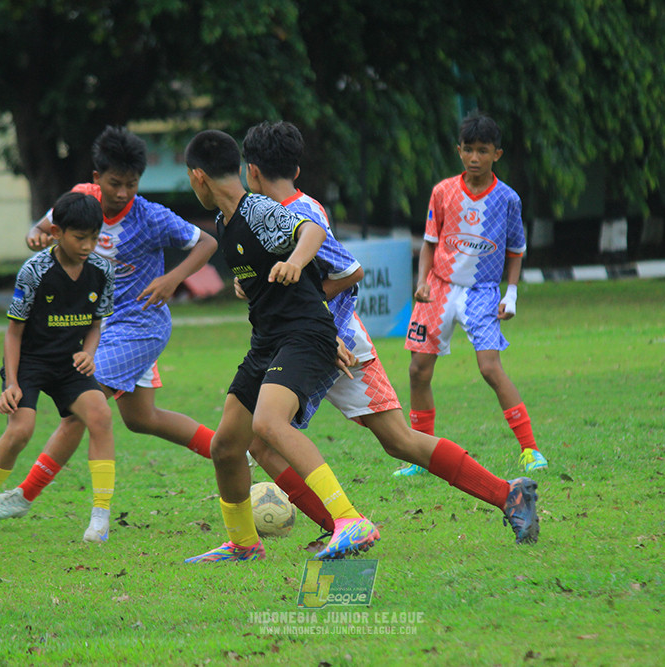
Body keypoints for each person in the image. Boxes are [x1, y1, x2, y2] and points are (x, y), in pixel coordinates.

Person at [240, 120, 539, 546]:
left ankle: (502, 494)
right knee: (267, 438)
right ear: (297, 168)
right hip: (304, 341)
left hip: (332, 340)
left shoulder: (301, 213)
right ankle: (344, 526)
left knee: (387, 440)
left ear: (251, 171)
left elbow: (348, 272)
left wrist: (317, 323)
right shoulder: (268, 217)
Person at [0, 126, 218, 523]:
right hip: (99, 328)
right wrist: (35, 238)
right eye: (115, 183)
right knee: (142, 418)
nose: (123, 193)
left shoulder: (150, 217)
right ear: (97, 178)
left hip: (139, 326)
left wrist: (172, 279)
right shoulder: (81, 201)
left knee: (80, 408)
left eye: (132, 184)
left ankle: (24, 495)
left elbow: (207, 242)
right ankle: (230, 450)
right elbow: (41, 229)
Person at [182, 129, 379, 563]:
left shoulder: (257, 209)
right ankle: (244, 544)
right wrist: (249, 284)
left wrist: (294, 260)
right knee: (225, 445)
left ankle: (350, 520)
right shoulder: (226, 222)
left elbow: (311, 230)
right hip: (268, 340)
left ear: (199, 177)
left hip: (304, 334)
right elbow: (262, 272)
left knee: (269, 423)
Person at [0, 192, 116, 547]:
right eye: (79, 238)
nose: (87, 246)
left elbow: (96, 324)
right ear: (56, 232)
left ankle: (100, 517)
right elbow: (14, 332)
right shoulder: (34, 271)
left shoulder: (102, 270)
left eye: (94, 237)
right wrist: (11, 383)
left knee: (100, 415)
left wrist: (89, 353)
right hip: (30, 362)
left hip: (70, 363)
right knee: (20, 431)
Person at [399, 111, 548, 477]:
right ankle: (421, 457)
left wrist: (511, 294)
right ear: (459, 151)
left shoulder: (508, 199)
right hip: (438, 289)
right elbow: (429, 243)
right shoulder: (442, 192)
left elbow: (515, 251)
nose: (474, 158)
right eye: (468, 149)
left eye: (483, 150)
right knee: (418, 371)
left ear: (497, 154)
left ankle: (530, 450)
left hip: (482, 292)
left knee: (490, 368)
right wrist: (421, 281)